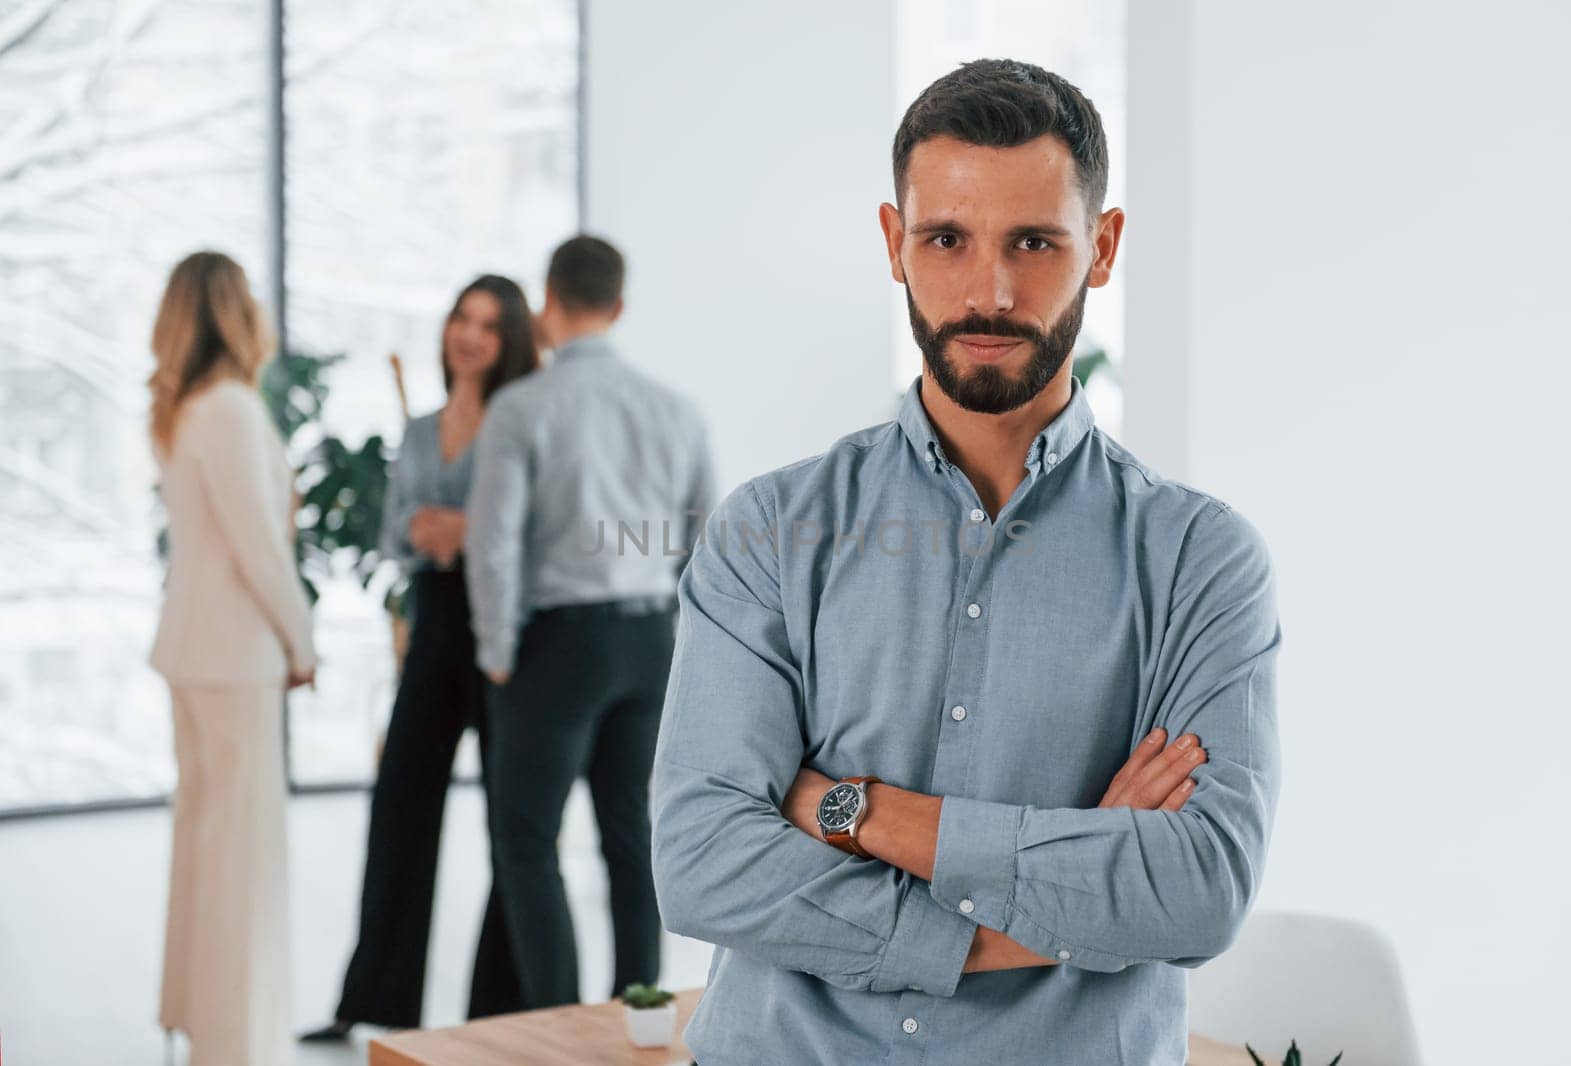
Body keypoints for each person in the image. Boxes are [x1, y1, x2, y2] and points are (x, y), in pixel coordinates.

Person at [650, 59, 1282, 1065]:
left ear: (1103, 247)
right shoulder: (766, 530)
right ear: (895, 245)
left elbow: (1194, 890)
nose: (988, 291)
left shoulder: (1199, 559)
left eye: (1034, 241)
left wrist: (850, 810)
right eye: (946, 238)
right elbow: (701, 866)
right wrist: (1045, 904)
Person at [465, 235, 714, 1008]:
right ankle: (633, 1020)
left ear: (547, 300)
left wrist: (497, 649)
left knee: (529, 845)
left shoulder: (521, 406)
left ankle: (557, 1028)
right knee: (630, 841)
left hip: (557, 645)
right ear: (619, 306)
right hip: (649, 642)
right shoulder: (676, 409)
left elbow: (493, 542)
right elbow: (704, 542)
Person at [301, 276, 539, 1043]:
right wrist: (434, 530)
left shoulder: (525, 422)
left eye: (489, 325)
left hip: (506, 632)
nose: (469, 335)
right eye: (461, 320)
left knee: (514, 825)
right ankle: (371, 999)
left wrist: (464, 529)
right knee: (400, 806)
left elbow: (533, 532)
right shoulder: (418, 429)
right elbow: (393, 533)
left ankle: (496, 1014)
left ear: (511, 343)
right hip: (435, 626)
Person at [148, 251, 316, 1066]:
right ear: (235, 312)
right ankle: (237, 1042)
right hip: (235, 656)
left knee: (205, 842)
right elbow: (260, 548)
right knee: (242, 857)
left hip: (191, 650)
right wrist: (303, 638)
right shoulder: (231, 411)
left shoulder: (183, 410)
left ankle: (202, 1025)